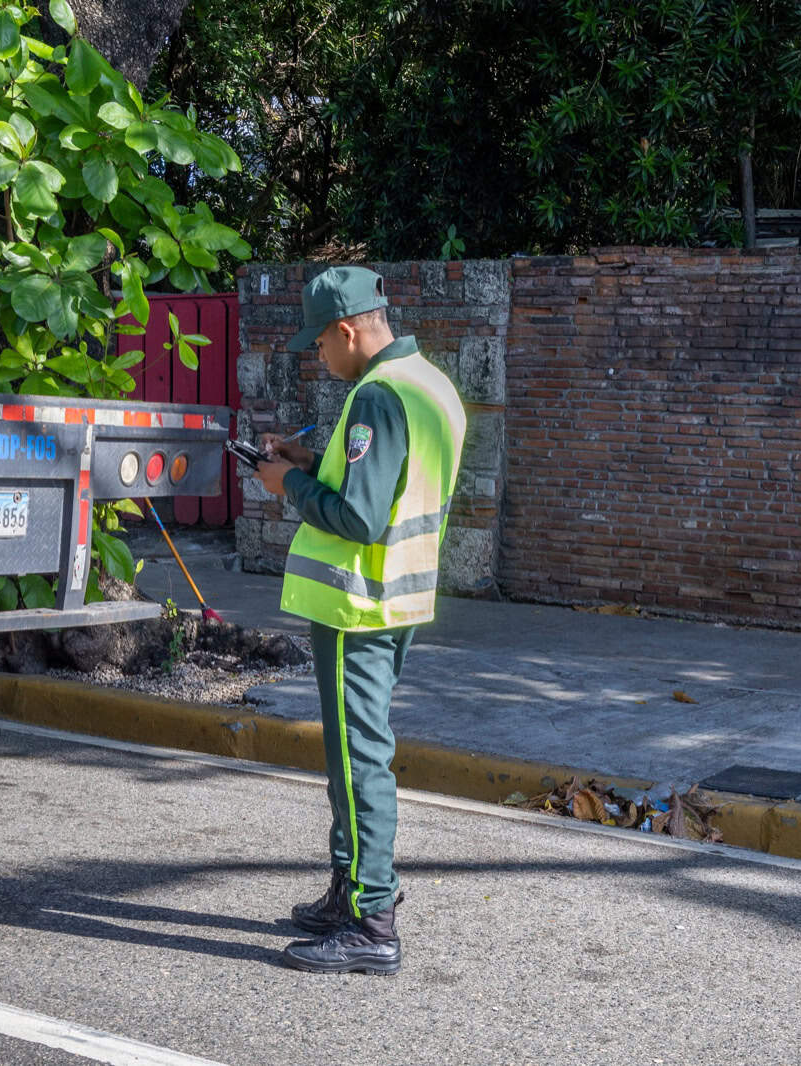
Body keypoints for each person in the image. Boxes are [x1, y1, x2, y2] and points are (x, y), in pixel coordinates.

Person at [253, 266, 466, 975]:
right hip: (397, 600)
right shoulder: (427, 384)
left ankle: (372, 921)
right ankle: (351, 891)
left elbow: (359, 516)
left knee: (356, 759)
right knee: (358, 753)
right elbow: (389, 481)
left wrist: (289, 484)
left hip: (357, 601)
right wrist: (310, 458)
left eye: (319, 344)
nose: (317, 356)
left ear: (347, 330)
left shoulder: (376, 396)